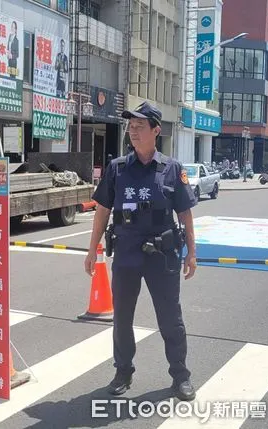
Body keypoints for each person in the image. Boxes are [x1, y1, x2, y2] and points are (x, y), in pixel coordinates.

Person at [84, 101, 198, 401]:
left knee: (170, 319)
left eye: (139, 127)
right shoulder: (117, 168)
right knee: (122, 318)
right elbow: (102, 211)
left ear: (155, 131)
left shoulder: (172, 169)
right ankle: (123, 371)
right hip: (127, 254)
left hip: (163, 255)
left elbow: (185, 214)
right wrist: (92, 248)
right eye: (130, 127)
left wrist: (191, 252)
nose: (132, 132)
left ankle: (181, 376)